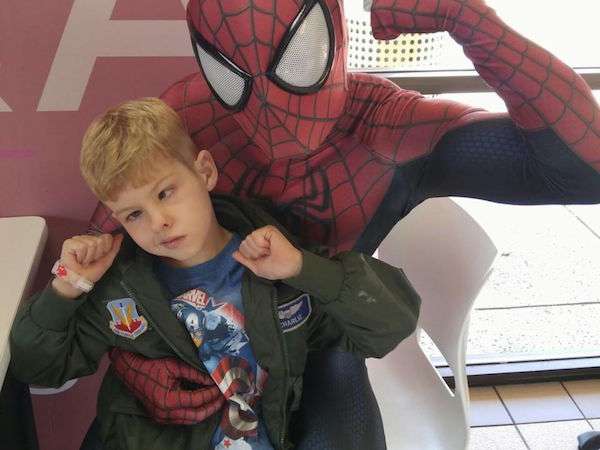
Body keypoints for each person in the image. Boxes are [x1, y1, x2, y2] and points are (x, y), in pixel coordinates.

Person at [10, 98, 421, 450]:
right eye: (134, 214)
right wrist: (66, 288)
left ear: (204, 171)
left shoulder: (277, 263)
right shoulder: (119, 288)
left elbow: (391, 324)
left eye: (165, 193)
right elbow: (39, 370)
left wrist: (303, 267)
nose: (158, 222)